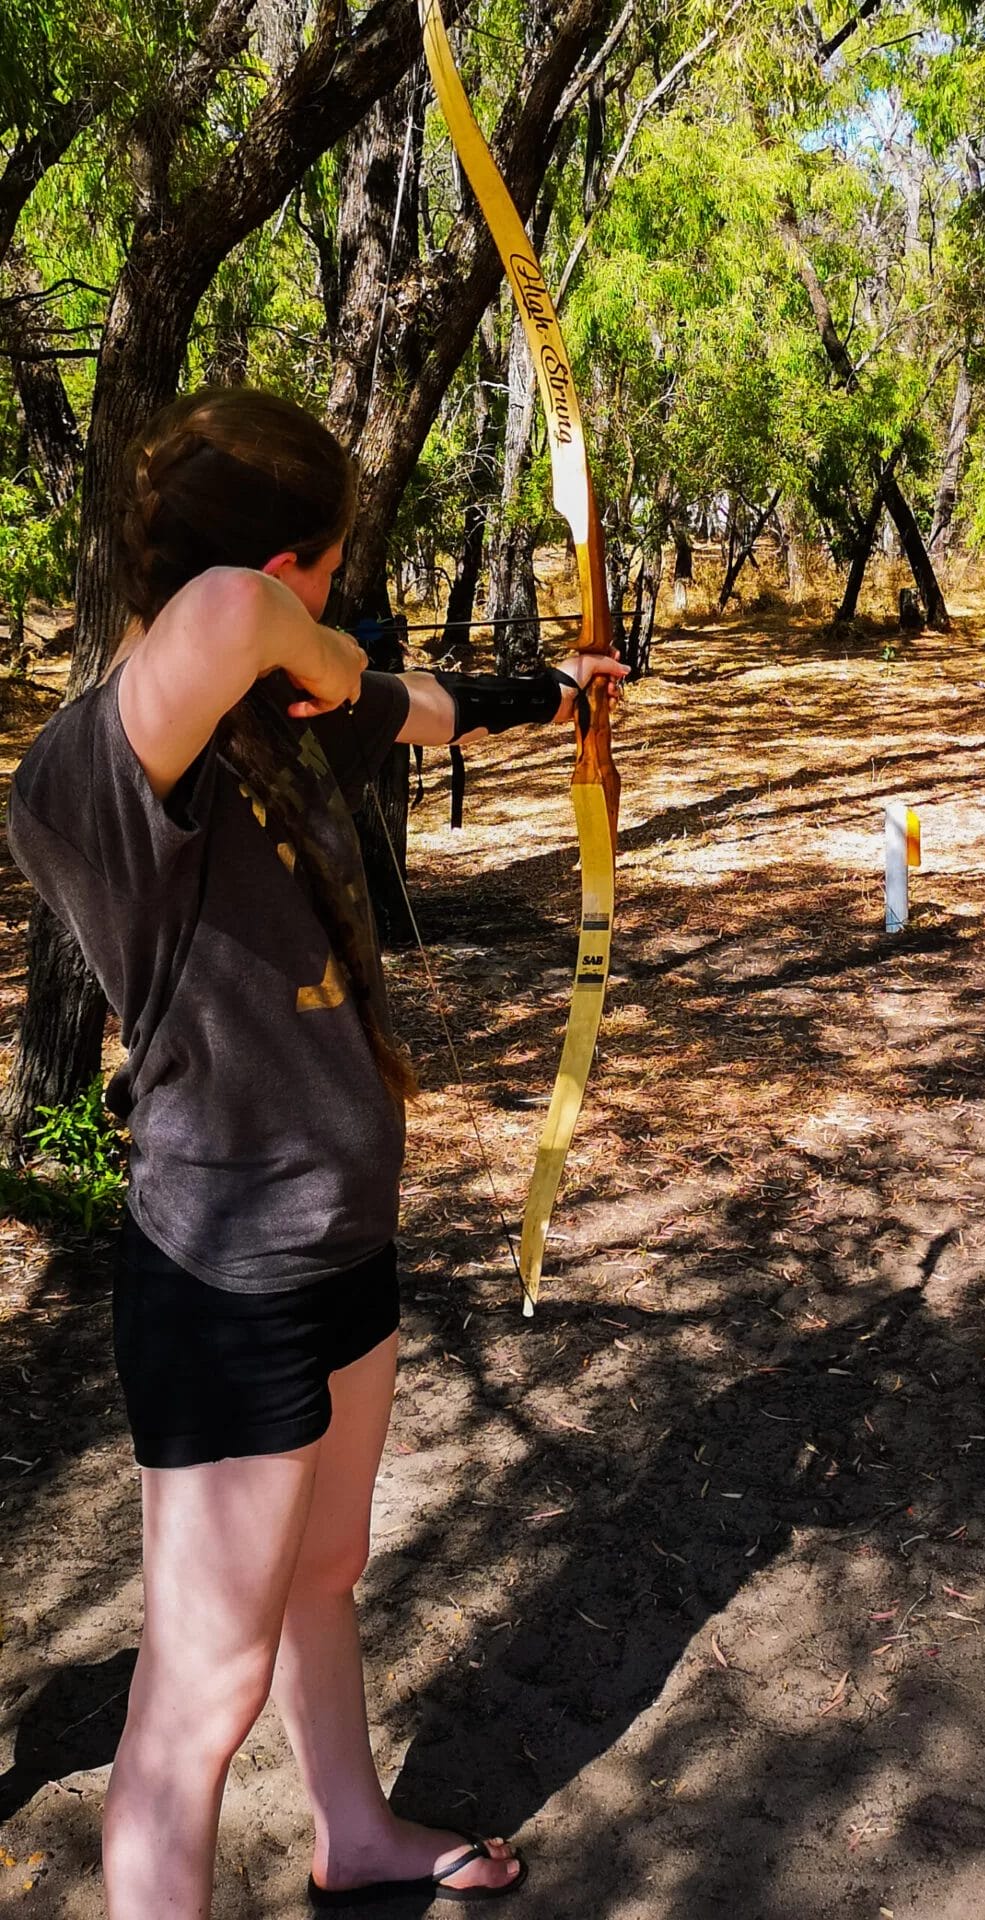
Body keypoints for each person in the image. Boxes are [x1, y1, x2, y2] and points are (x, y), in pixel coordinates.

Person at [6, 387, 627, 1916]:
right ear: (285, 569)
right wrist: (313, 635)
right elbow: (233, 616)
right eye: (328, 571)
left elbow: (402, 702)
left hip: (341, 1250)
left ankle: (352, 1834)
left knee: (329, 1573)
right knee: (196, 1704)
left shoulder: (274, 705)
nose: (330, 612)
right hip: (225, 1287)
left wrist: (557, 697)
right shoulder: (104, 772)